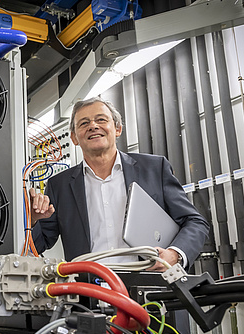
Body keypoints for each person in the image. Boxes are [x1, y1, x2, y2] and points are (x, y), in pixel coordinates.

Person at [30, 97, 208, 271]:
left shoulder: (154, 169)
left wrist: (174, 254)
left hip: (149, 286)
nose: (93, 125)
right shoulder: (59, 185)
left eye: (101, 119)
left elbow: (194, 222)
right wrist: (32, 220)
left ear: (117, 129)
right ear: (74, 138)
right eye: (84, 123)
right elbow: (39, 243)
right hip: (89, 292)